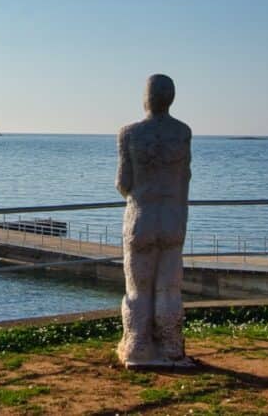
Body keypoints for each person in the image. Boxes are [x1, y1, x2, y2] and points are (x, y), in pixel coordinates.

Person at [116, 74, 192, 367]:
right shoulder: (183, 133)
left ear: (146, 98)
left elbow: (123, 184)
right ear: (170, 98)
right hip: (173, 221)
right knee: (168, 287)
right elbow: (184, 178)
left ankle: (137, 346)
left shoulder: (129, 134)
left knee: (138, 287)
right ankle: (171, 346)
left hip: (141, 220)